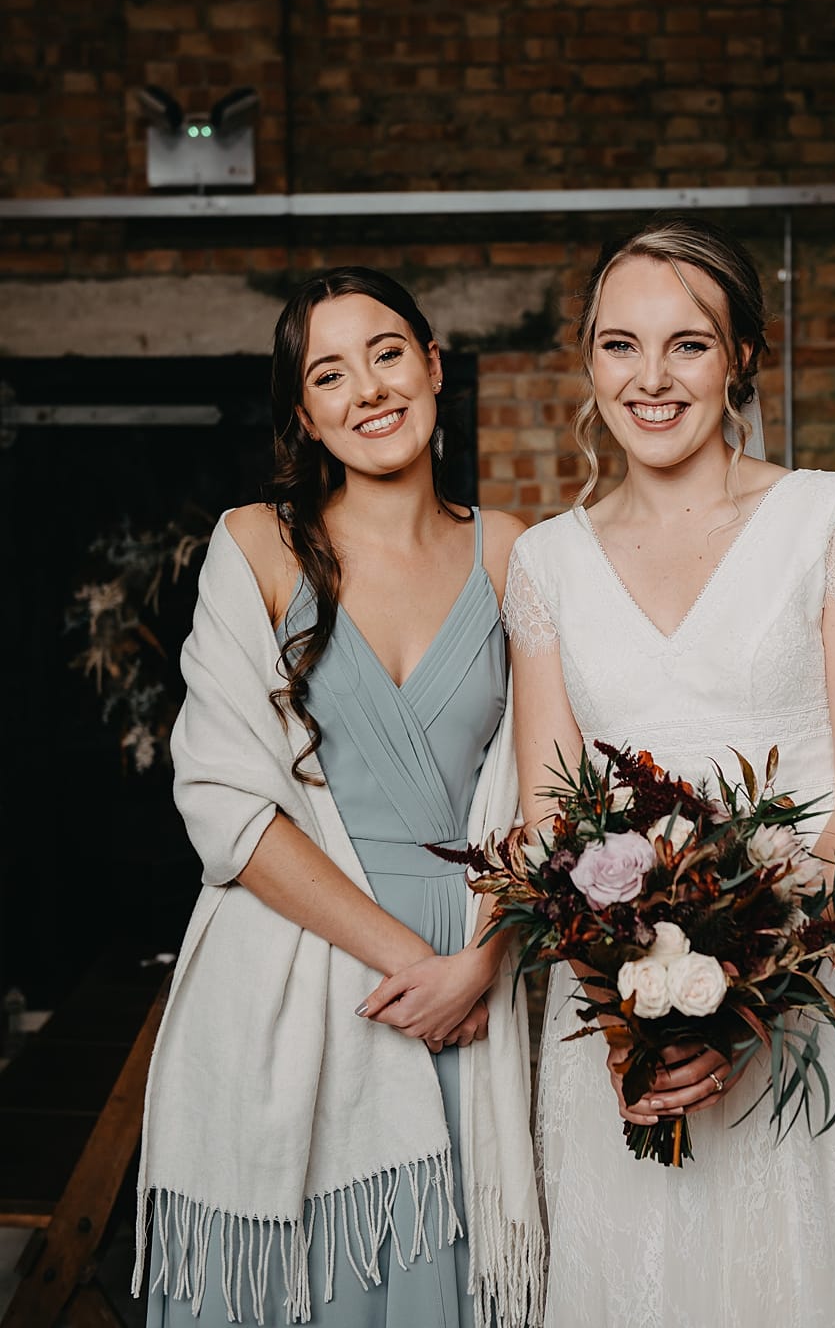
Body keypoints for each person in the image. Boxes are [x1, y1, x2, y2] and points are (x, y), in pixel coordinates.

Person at [504, 218, 835, 1327]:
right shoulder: (545, 563)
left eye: (687, 344)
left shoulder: (831, 519)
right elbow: (549, 823)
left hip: (819, 986)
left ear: (741, 357)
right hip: (626, 1012)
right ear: (588, 360)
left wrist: (741, 995)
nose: (650, 378)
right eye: (621, 344)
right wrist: (630, 1015)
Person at [134, 268, 544, 1327]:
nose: (367, 388)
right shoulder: (256, 544)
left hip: (478, 957)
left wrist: (482, 961)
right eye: (329, 373)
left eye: (387, 353)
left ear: (433, 366)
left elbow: (546, 790)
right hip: (329, 959)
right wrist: (420, 967)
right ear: (305, 416)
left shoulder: (512, 552)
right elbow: (225, 802)